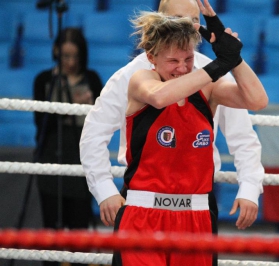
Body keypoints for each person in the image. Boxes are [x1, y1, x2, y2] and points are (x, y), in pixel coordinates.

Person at [80, 0, 265, 231]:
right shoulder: (132, 75)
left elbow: (246, 129)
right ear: (160, 22)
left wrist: (234, 60)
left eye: (194, 22)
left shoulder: (212, 75)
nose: (186, 28)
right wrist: (104, 189)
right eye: (178, 20)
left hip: (198, 199)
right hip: (143, 197)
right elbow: (95, 132)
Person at [33, 27, 102, 266]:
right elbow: (40, 124)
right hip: (51, 157)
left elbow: (103, 122)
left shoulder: (92, 79)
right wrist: (71, 103)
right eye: (65, 55)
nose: (71, 62)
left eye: (75, 56)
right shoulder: (44, 80)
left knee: (79, 229)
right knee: (51, 228)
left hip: (82, 160)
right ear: (55, 52)